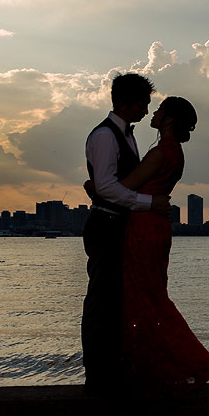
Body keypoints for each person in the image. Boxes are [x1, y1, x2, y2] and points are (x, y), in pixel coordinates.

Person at [114, 95, 209, 389]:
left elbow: (123, 188)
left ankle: (180, 362)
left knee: (144, 297)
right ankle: (155, 366)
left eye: (160, 110)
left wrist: (92, 186)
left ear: (169, 120)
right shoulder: (176, 154)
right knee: (152, 295)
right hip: (157, 228)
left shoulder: (160, 152)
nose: (154, 112)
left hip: (143, 227)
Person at [82, 72, 170, 394]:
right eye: (143, 104)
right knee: (101, 301)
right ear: (126, 102)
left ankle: (111, 372)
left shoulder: (125, 135)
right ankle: (96, 377)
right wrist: (150, 203)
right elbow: (106, 187)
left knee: (115, 301)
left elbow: (105, 185)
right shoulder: (105, 136)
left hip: (117, 225)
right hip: (105, 225)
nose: (147, 111)